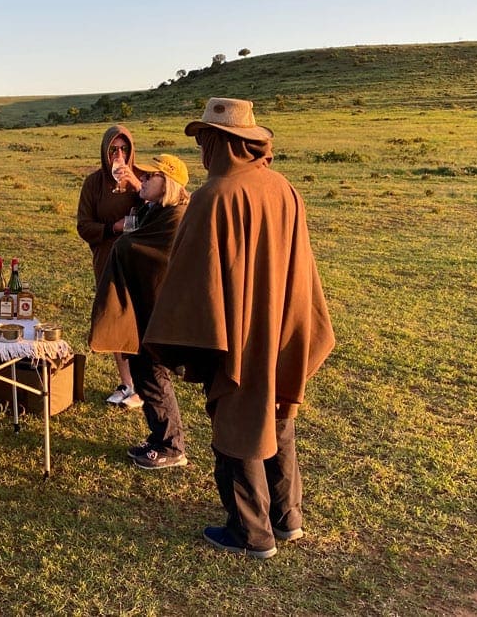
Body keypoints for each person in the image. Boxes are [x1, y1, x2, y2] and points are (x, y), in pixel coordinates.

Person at [144, 98, 336, 559]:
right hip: (283, 325)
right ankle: (287, 518)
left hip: (240, 336)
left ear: (222, 142)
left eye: (204, 139)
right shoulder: (283, 187)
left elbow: (194, 279)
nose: (201, 151)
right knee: (277, 411)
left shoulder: (215, 195)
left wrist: (180, 341)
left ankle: (250, 532)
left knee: (239, 424)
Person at [89, 154, 191, 469]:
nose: (142, 180)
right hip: (146, 305)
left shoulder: (175, 218)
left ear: (168, 183)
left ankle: (171, 446)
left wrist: (126, 245)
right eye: (142, 176)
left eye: (150, 177)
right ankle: (160, 436)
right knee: (142, 369)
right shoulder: (154, 211)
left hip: (160, 310)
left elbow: (144, 252)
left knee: (152, 372)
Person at [77, 125, 145, 409]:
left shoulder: (144, 177)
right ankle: (127, 384)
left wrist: (138, 188)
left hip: (140, 261)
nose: (119, 155)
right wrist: (110, 227)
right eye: (113, 149)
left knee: (140, 320)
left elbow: (164, 211)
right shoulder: (94, 183)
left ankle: (144, 384)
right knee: (115, 317)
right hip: (107, 259)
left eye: (124, 149)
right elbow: (83, 225)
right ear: (105, 152)